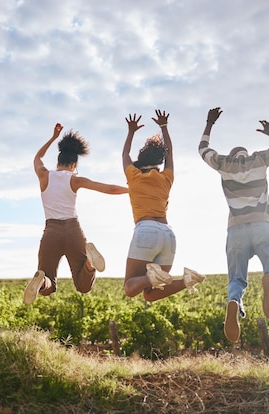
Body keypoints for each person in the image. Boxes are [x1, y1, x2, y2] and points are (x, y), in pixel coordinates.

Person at [199, 107, 269, 343]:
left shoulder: (224, 164)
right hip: (262, 225)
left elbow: (203, 150)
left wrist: (209, 123)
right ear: (245, 153)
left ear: (232, 154)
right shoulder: (258, 159)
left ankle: (234, 302)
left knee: (236, 279)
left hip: (236, 229)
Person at [23, 123, 129, 305]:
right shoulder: (75, 179)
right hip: (73, 230)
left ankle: (42, 281)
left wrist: (53, 137)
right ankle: (89, 263)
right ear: (73, 165)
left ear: (58, 162)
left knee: (48, 285)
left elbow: (37, 158)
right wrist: (131, 190)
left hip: (51, 232)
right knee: (83, 286)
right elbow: (109, 188)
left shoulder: (44, 175)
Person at [121, 110, 205, 303]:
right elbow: (169, 152)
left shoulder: (133, 176)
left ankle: (152, 276)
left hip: (146, 230)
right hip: (168, 235)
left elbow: (125, 153)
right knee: (151, 294)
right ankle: (187, 280)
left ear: (139, 163)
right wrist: (164, 127)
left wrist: (131, 131)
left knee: (130, 287)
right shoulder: (166, 177)